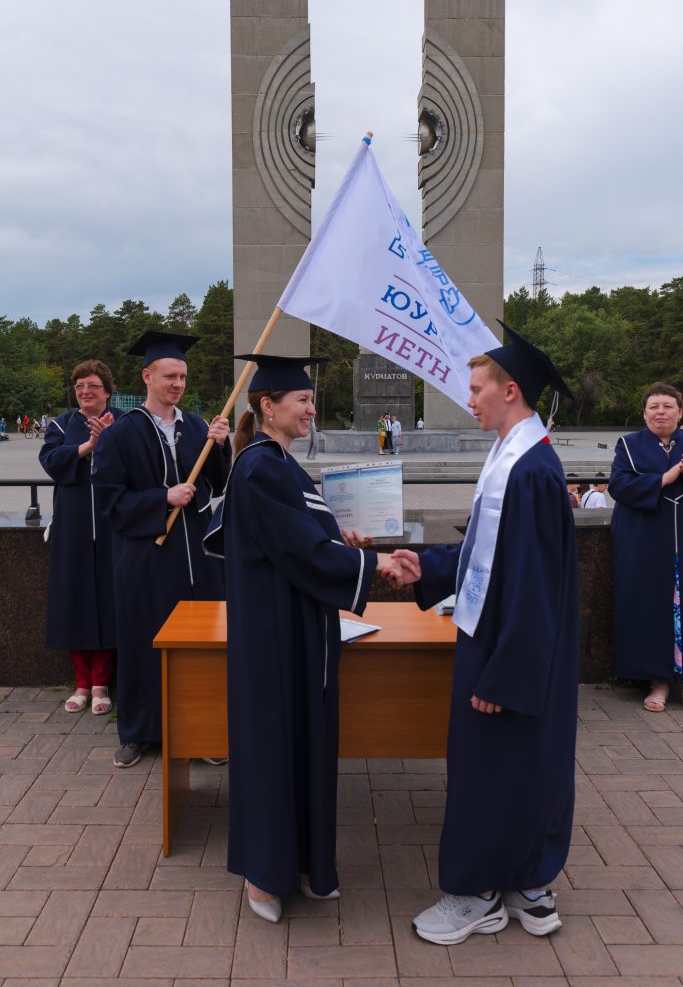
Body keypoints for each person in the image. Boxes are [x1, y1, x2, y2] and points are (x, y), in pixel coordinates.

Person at [393, 321, 578, 946]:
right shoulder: (512, 455)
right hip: (504, 642)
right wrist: (427, 568)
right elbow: (487, 555)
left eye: (476, 389)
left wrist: (503, 675)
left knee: (492, 770)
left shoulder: (531, 470)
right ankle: (527, 882)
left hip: (510, 652)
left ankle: (477, 895)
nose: (468, 399)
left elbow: (533, 586)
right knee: (518, 766)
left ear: (511, 390)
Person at [204, 354, 401, 924]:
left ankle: (310, 865)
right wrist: (375, 565)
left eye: (312, 400)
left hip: (297, 626)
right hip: (273, 635)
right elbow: (299, 552)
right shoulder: (260, 467)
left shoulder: (279, 463)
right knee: (272, 749)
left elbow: (303, 537)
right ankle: (264, 876)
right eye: (303, 401)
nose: (312, 409)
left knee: (306, 744)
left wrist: (342, 539)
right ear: (268, 407)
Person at [91, 331, 231, 768]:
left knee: (200, 648)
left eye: (183, 377)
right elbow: (109, 502)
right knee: (144, 641)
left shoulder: (197, 428)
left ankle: (202, 732)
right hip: (146, 560)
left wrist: (221, 447)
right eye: (170, 376)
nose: (178, 384)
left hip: (197, 559)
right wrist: (161, 498)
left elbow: (218, 483)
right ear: (147, 376)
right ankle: (139, 731)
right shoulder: (121, 435)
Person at [39, 361, 123, 714]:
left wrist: (109, 440)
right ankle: (81, 682)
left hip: (112, 525)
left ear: (107, 390)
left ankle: (101, 682)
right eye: (79, 386)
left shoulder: (123, 422)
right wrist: (89, 445)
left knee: (109, 601)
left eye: (92, 385)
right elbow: (51, 461)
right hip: (72, 527)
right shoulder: (62, 424)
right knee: (75, 602)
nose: (85, 391)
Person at [609, 383, 683, 712]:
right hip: (646, 542)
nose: (661, 412)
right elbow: (618, 485)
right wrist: (665, 478)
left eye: (668, 406)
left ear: (680, 413)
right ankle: (659, 682)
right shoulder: (629, 445)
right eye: (654, 407)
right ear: (644, 414)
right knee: (651, 609)